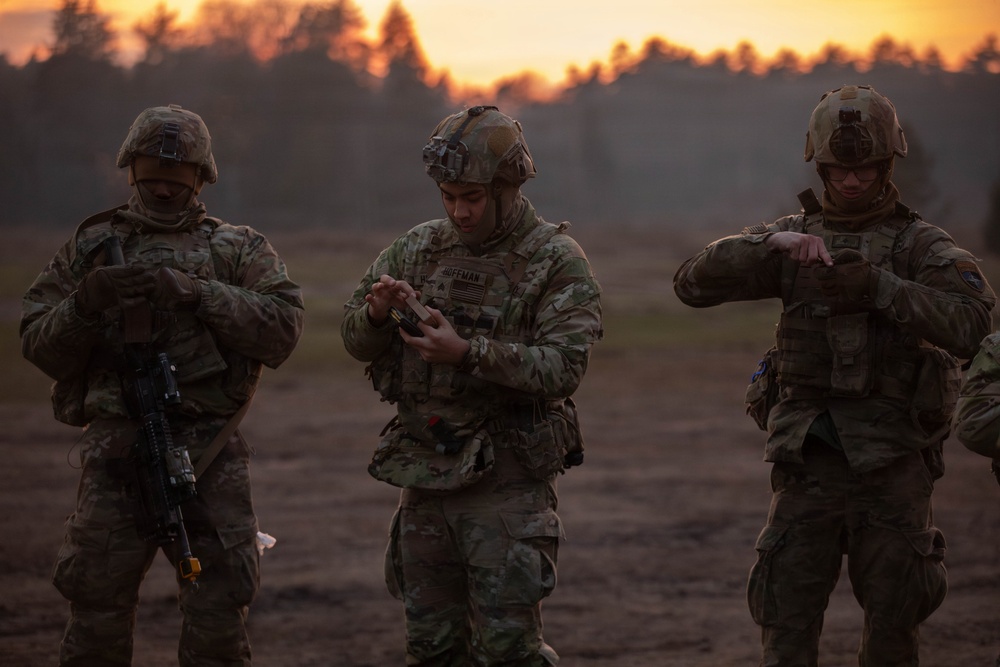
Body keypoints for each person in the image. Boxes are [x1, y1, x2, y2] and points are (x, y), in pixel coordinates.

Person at [673, 85, 995, 665]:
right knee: (786, 627)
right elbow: (691, 284)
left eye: (866, 167)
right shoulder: (793, 239)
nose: (852, 180)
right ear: (820, 165)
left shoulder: (921, 245)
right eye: (840, 168)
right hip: (809, 461)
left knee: (895, 630)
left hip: (894, 466)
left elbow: (975, 325)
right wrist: (767, 244)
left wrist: (880, 288)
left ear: (888, 162)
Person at [20, 104, 304, 666]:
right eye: (152, 181)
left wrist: (199, 294)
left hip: (211, 454)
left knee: (219, 617)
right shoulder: (91, 247)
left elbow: (283, 331)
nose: (165, 193)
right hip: (117, 454)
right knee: (96, 611)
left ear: (201, 179)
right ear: (131, 173)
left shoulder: (237, 248)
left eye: (177, 183)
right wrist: (88, 301)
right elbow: (38, 344)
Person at [341, 105, 602, 666]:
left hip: (507, 484)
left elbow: (564, 366)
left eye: (473, 199)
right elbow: (354, 339)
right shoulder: (417, 249)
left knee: (509, 651)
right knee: (431, 648)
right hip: (426, 474)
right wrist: (378, 316)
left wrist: (467, 354)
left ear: (508, 188)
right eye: (448, 197)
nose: (459, 212)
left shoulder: (555, 261)